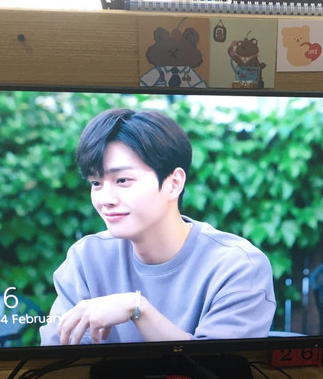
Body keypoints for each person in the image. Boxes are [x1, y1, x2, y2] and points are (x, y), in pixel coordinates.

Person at [39, 108, 275, 346]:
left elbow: (219, 364)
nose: (105, 199)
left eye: (122, 180)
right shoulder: (86, 258)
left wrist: (137, 308)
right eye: (96, 183)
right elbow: (57, 357)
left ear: (174, 183)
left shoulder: (238, 266)